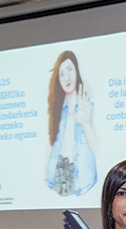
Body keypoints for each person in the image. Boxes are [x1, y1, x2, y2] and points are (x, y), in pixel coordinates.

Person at [46, 50, 99, 197]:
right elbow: (50, 148)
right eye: (61, 74)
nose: (66, 77)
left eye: (70, 69)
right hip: (56, 185)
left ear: (77, 71)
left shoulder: (89, 107)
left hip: (83, 185)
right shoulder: (56, 111)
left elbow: (96, 148)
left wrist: (85, 122)